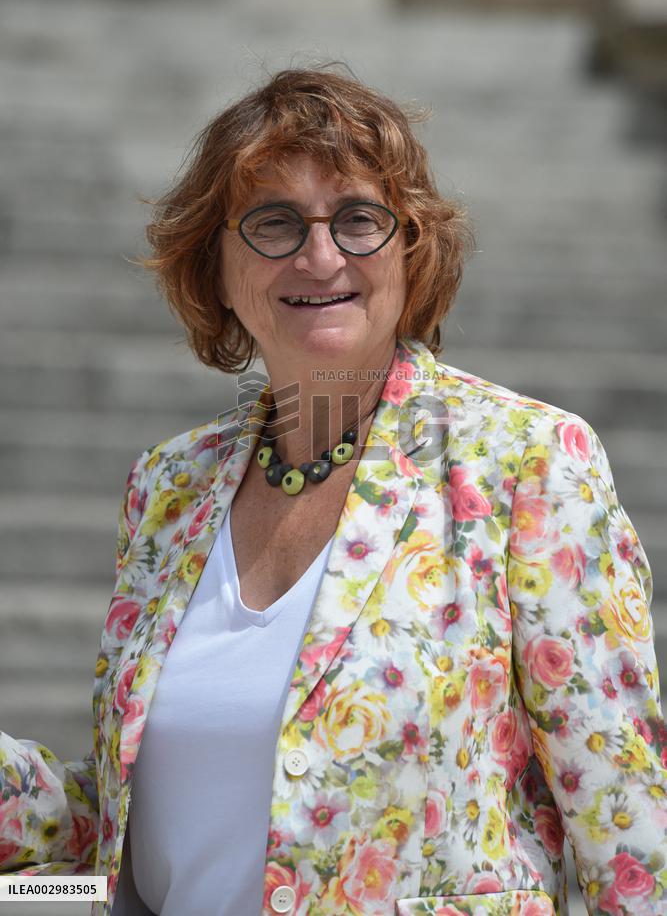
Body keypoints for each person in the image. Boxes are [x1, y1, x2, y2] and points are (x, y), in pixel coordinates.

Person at [1, 66, 665, 916]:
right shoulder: (168, 486)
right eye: (274, 223)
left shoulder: (526, 461)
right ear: (217, 264)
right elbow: (145, 824)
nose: (321, 255)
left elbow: (626, 825)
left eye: (357, 219)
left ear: (409, 248)